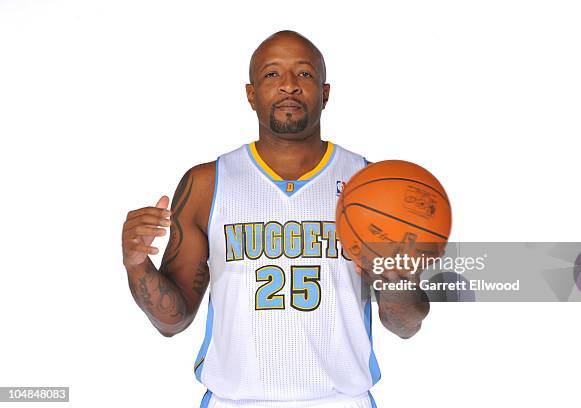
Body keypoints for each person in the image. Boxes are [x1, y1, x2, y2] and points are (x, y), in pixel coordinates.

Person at [121, 30, 429, 408]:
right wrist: (137, 265)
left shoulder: (371, 187)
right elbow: (173, 322)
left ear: (325, 93)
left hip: (340, 400)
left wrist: (395, 279)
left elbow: (405, 325)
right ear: (251, 95)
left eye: (304, 74)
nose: (288, 86)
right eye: (271, 74)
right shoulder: (207, 184)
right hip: (235, 401)